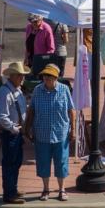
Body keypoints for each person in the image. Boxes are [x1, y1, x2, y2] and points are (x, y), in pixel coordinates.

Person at [27, 64, 75, 201]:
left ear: (56, 78)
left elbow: (71, 111)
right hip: (42, 133)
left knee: (61, 162)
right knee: (43, 162)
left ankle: (62, 189)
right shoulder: (37, 90)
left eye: (49, 76)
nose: (46, 79)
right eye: (45, 76)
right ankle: (46, 189)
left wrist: (73, 130)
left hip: (61, 133)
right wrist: (27, 128)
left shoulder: (64, 89)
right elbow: (32, 110)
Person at [0, 62, 30, 204]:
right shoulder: (4, 92)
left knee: (16, 162)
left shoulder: (18, 90)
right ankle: (9, 193)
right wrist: (14, 128)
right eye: (20, 76)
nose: (22, 78)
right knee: (10, 163)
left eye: (23, 76)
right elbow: (1, 116)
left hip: (17, 133)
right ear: (12, 76)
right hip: (10, 133)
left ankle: (13, 189)